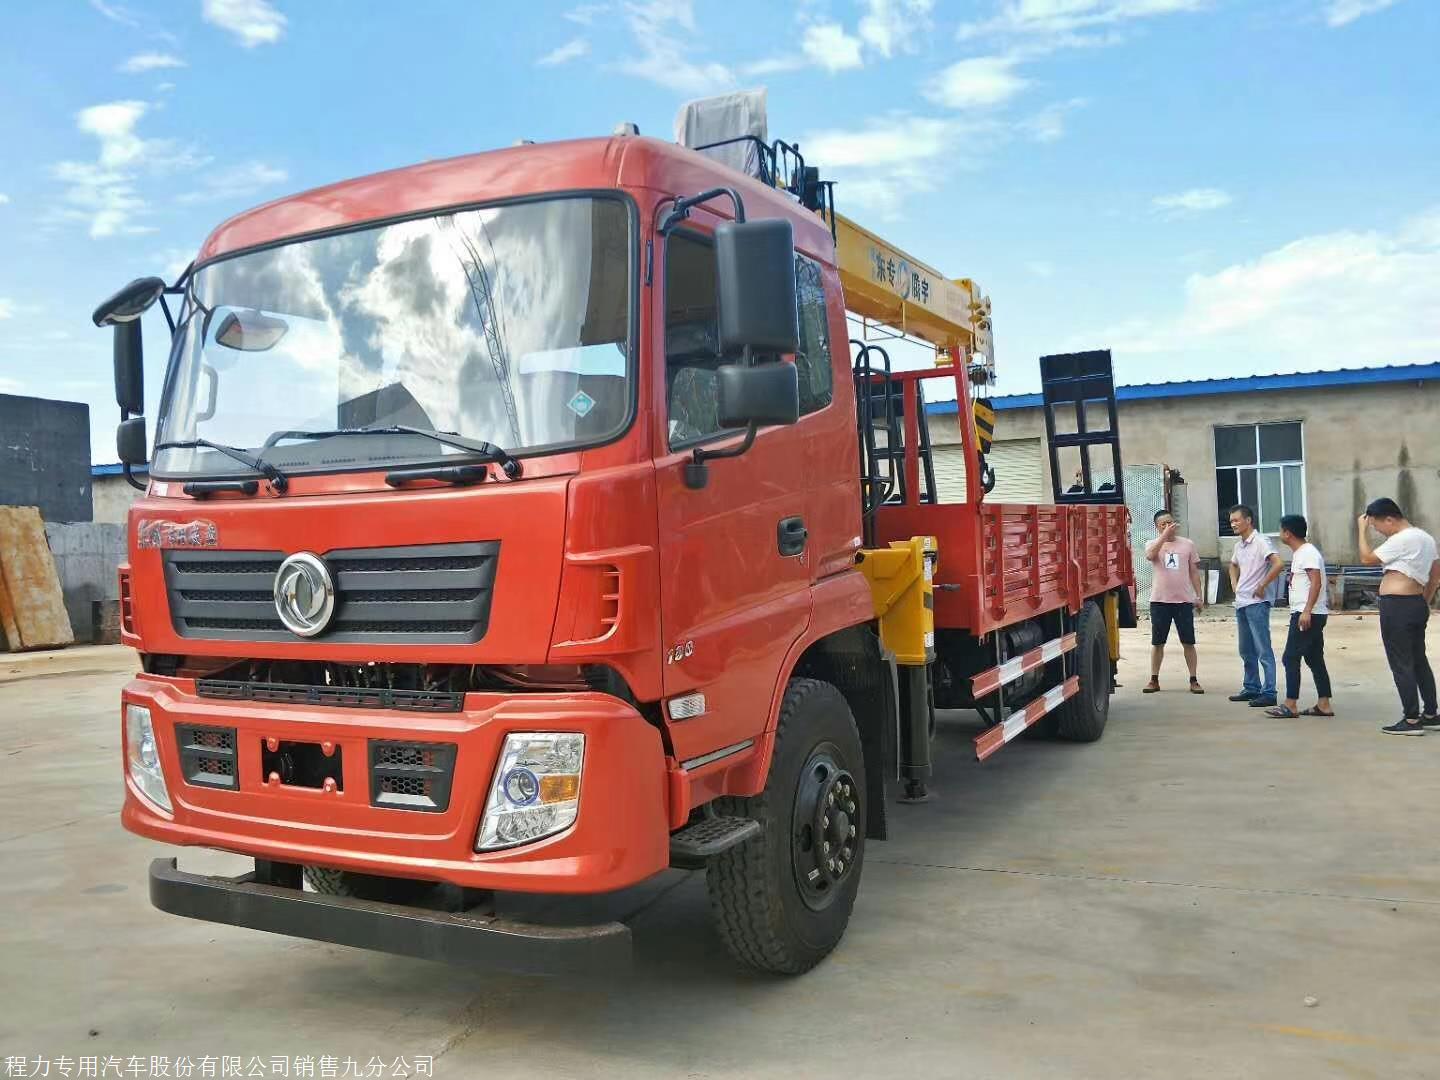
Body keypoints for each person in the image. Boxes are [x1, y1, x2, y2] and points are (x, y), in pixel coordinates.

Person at [1357, 498, 1440, 736]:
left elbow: (1366, 559)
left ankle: (1411, 719)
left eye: (1376, 526)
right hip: (1415, 603)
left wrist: (1361, 530)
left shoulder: (1402, 539)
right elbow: (1435, 575)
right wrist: (1422, 601)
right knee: (1418, 660)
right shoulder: (1425, 538)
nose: (1376, 531)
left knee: (1401, 662)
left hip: (1398, 606)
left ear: (1390, 519)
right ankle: (1431, 714)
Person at [1266, 515, 1333, 718]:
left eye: (1281, 531)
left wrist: (1306, 610)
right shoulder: (1301, 553)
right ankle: (1324, 704)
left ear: (1288, 533)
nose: (1280, 535)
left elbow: (1316, 582)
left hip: (1308, 614)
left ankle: (1290, 704)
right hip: (1309, 612)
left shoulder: (1308, 553)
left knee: (1290, 657)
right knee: (1314, 658)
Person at [1227, 504, 1285, 708]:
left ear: (1248, 520)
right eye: (1231, 520)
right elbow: (1232, 565)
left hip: (1257, 603)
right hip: (1242, 602)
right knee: (1246, 649)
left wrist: (1262, 585)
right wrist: (1234, 584)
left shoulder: (1261, 541)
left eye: (1236, 520)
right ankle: (1251, 687)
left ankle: (1269, 692)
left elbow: (1279, 563)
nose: (1232, 523)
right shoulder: (1239, 545)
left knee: (1263, 649)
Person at [1142, 509, 1204, 694]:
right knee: (1158, 642)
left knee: (1188, 642)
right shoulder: (1153, 543)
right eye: (1164, 524)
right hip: (1160, 601)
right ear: (1157, 527)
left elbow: (1193, 572)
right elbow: (1150, 556)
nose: (1169, 526)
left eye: (1171, 522)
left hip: (1183, 601)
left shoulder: (1188, 544)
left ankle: (1193, 679)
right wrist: (1163, 538)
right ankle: (1154, 679)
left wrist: (1199, 596)